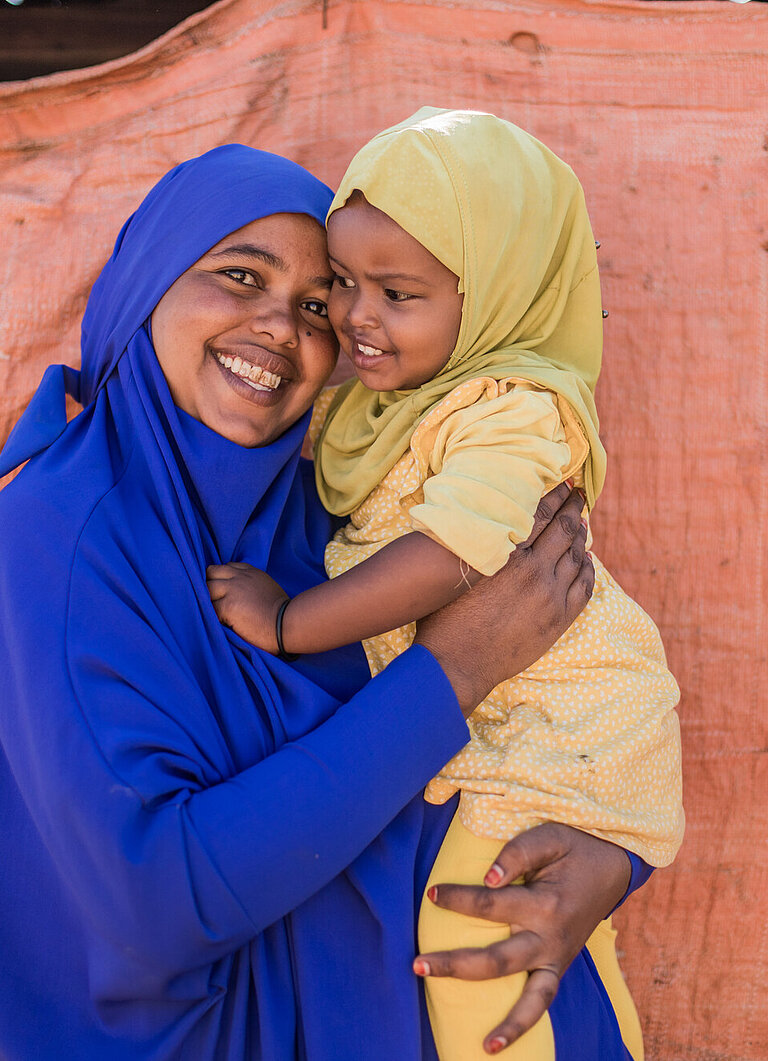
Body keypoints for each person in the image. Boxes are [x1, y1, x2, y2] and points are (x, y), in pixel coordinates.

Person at [0, 143, 644, 1061]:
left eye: (315, 305)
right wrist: (451, 671)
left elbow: (577, 688)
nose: (280, 328)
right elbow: (158, 898)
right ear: (146, 283)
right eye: (238, 276)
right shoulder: (51, 538)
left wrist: (607, 863)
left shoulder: (342, 524)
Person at [207, 111, 684, 1060]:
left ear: (497, 296)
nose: (355, 316)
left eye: (400, 292)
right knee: (579, 954)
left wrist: (294, 619)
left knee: (476, 936)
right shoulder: (391, 402)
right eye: (343, 283)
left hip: (561, 726)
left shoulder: (512, 409)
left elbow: (452, 553)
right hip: (513, 723)